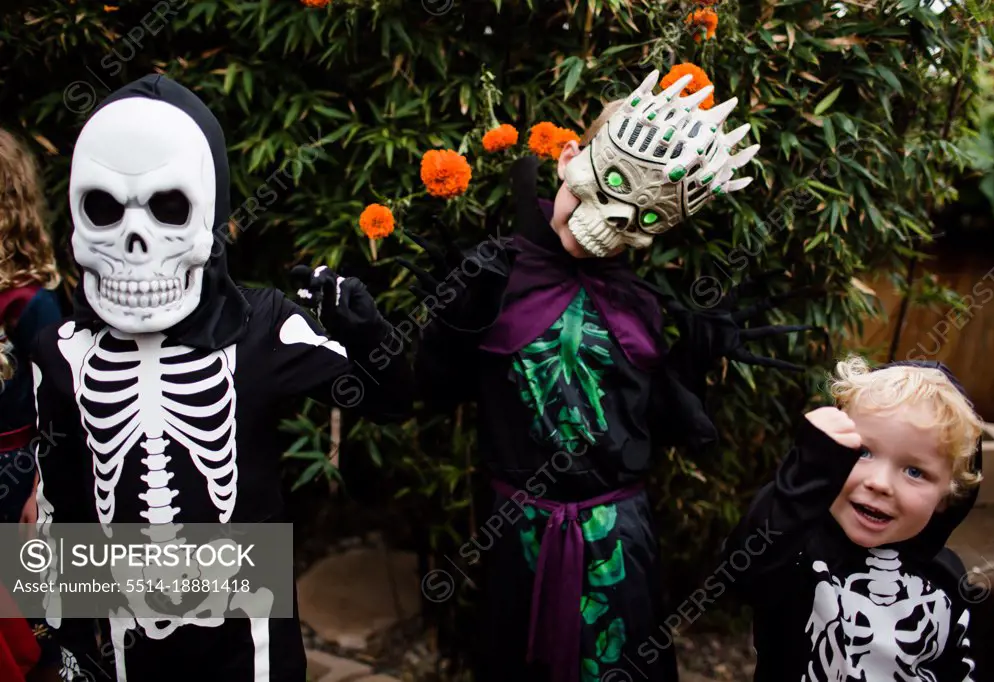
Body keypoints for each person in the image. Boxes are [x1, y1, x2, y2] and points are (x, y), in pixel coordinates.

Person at [403, 69, 816, 682]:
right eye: (604, 187)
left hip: (616, 537)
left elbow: (647, 426)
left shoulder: (641, 305)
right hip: (516, 528)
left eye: (636, 221)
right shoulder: (496, 272)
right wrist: (452, 325)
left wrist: (692, 366)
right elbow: (432, 389)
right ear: (571, 156)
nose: (600, 225)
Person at [29, 74, 413, 682]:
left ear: (211, 218)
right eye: (103, 209)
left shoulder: (261, 327)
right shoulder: (65, 351)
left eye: (167, 208)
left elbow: (393, 399)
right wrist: (63, 643)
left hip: (252, 649)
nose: (135, 240)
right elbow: (61, 506)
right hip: (128, 644)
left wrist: (367, 332)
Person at [722, 355, 983, 680]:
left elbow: (962, 665)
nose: (879, 483)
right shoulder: (797, 551)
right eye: (863, 452)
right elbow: (741, 571)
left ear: (948, 497)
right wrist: (806, 478)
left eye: (915, 471)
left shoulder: (946, 576)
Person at [0, 128, 66, 682]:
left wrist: (40, 487)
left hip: (17, 478)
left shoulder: (32, 302)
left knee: (32, 634)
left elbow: (65, 403)